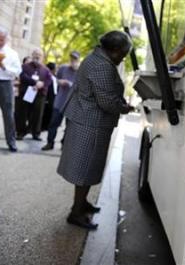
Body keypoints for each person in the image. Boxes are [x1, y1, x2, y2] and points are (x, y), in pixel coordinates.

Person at [57, 31, 134, 229]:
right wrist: (124, 107)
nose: (124, 57)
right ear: (114, 50)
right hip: (91, 123)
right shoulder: (102, 66)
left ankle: (82, 203)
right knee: (85, 169)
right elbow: (107, 101)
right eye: (123, 53)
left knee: (86, 168)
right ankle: (76, 213)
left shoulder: (96, 58)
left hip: (86, 120)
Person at [41, 51, 80, 150]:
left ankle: (64, 144)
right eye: (71, 58)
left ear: (78, 60)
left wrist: (69, 84)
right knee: (53, 123)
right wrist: (59, 82)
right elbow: (55, 80)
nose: (72, 61)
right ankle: (50, 143)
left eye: (75, 59)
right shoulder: (63, 68)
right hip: (59, 102)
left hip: (72, 103)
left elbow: (81, 87)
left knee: (69, 127)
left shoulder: (80, 72)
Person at [17, 48, 52, 140]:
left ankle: (35, 133)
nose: (37, 56)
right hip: (26, 93)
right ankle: (21, 132)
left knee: (37, 114)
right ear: (32, 55)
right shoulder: (25, 66)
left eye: (39, 55)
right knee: (23, 113)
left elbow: (49, 80)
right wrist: (34, 82)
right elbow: (22, 76)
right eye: (35, 54)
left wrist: (42, 84)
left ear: (42, 57)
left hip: (39, 94)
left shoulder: (46, 69)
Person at [41, 62, 57, 131]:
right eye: (55, 69)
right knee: (46, 111)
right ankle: (43, 126)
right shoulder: (46, 76)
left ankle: (48, 126)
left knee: (51, 111)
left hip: (54, 96)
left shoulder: (55, 77)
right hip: (47, 96)